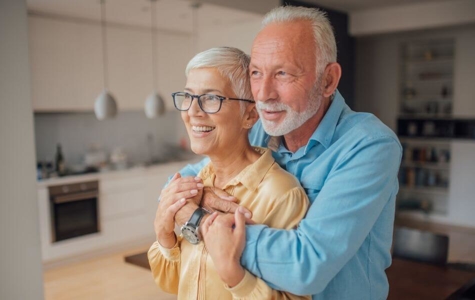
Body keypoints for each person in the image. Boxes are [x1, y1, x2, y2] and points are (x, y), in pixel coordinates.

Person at [161, 6, 402, 299]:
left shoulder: (369, 145)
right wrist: (201, 195)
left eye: (283, 73)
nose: (263, 94)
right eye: (256, 73)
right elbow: (180, 182)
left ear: (327, 80)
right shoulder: (263, 126)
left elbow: (306, 267)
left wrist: (199, 221)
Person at [148, 46, 310, 299]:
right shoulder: (197, 183)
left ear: (250, 115)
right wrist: (164, 235)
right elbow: (174, 283)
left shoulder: (281, 193)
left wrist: (234, 276)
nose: (192, 112)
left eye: (211, 98)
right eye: (188, 97)